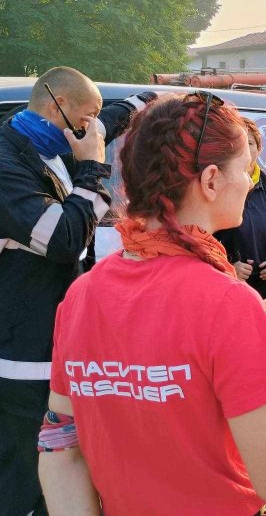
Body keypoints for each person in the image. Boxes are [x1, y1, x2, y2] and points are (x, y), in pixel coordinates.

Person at [37, 93, 266, 515]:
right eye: (246, 169)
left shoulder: (83, 295)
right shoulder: (228, 304)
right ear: (211, 180)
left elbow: (60, 446)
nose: (251, 182)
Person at [0, 66, 155, 516]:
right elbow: (64, 239)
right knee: (25, 474)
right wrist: (92, 170)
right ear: (58, 107)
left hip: (49, 339)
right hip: (21, 353)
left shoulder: (46, 142)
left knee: (53, 467)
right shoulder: (7, 163)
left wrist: (145, 101)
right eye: (86, 120)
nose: (92, 131)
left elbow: (107, 120)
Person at [216, 118, 266, 299]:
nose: (245, 150)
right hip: (228, 292)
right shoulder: (214, 188)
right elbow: (203, 242)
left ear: (259, 148)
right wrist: (227, 266)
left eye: (250, 143)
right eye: (238, 143)